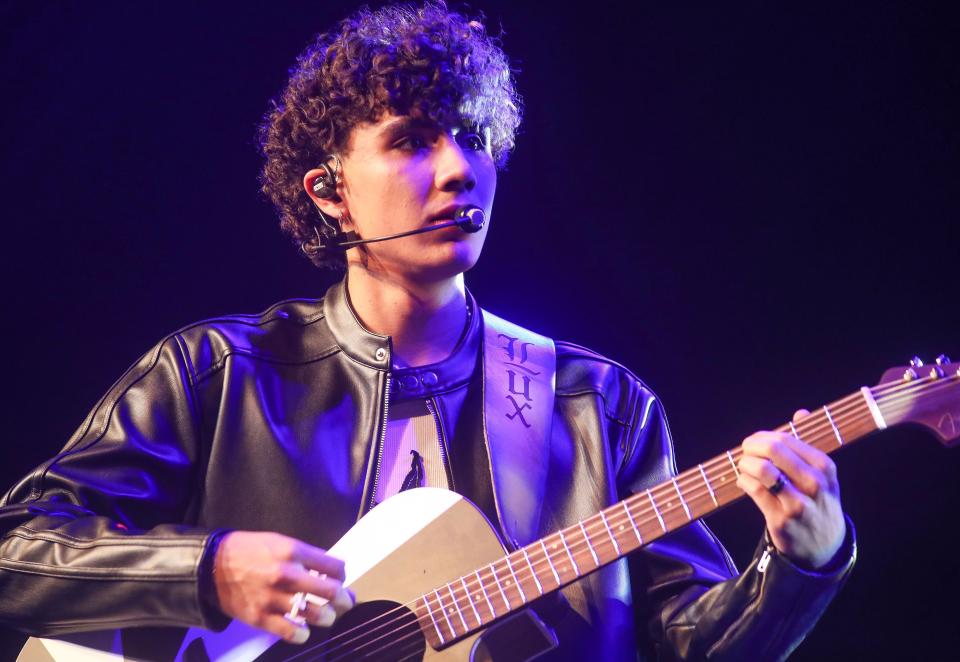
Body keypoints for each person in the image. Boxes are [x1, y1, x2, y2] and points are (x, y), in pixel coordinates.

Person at [0, 2, 854, 659]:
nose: (457, 170)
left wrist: (803, 561)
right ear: (330, 192)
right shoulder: (217, 375)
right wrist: (208, 570)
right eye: (412, 140)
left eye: (476, 137)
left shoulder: (599, 406)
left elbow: (689, 642)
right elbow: (15, 550)